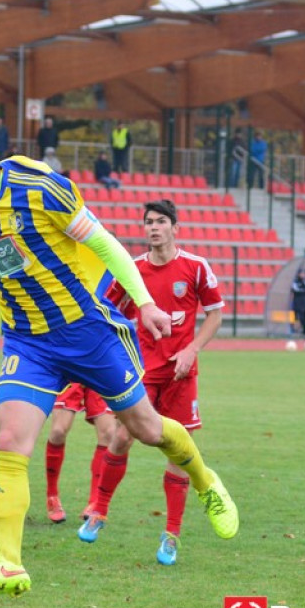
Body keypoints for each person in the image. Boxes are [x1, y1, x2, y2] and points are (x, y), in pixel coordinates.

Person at [0, 113, 238, 598]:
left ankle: (205, 479)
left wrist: (147, 303)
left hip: (87, 333)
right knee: (11, 439)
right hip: (28, 343)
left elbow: (105, 245)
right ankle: (9, 564)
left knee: (147, 429)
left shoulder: (40, 187)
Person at [86, 199, 225, 568]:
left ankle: (171, 535)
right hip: (143, 374)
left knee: (180, 453)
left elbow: (216, 314)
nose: (153, 227)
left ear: (175, 227)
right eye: (148, 222)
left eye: (161, 221)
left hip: (182, 374)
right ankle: (99, 511)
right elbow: (105, 311)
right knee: (120, 437)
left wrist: (192, 349)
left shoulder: (195, 268)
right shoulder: (131, 271)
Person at [43, 383, 116, 524]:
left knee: (108, 434)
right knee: (58, 431)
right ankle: (52, 496)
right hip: (71, 366)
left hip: (98, 367)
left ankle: (94, 502)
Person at [290, 269, 305, 338]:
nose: (303, 275)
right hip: (298, 299)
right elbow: (295, 289)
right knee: (301, 315)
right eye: (301, 274)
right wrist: (304, 287)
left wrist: (304, 285)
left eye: (304, 274)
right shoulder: (295, 281)